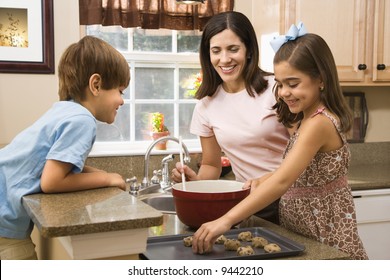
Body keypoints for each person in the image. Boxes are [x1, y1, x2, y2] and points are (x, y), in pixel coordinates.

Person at [191, 23, 368, 260]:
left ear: (321, 79)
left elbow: (284, 180)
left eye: (292, 84)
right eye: (281, 83)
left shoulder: (318, 123)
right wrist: (262, 179)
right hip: (302, 228)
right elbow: (296, 172)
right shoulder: (307, 120)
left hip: (325, 233)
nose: (283, 92)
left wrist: (225, 221)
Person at [0, 36, 130, 260]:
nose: (122, 101)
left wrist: (100, 173)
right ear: (96, 85)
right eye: (120, 91)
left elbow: (56, 163)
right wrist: (108, 180)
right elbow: (52, 181)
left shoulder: (64, 111)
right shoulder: (82, 120)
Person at [171, 11, 290, 224]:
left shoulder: (277, 89)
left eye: (233, 49)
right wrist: (196, 182)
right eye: (216, 51)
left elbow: (303, 152)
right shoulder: (206, 105)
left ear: (249, 51)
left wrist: (267, 181)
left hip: (291, 198)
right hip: (248, 203)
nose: (224, 59)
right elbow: (211, 165)